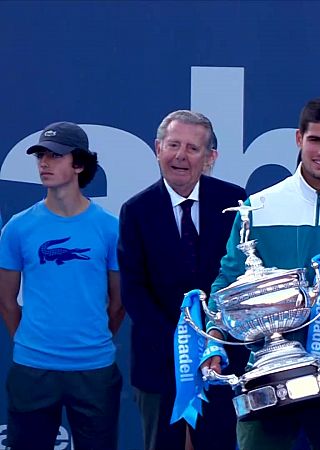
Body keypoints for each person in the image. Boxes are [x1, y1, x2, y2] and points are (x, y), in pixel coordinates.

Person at [203, 97, 320, 450]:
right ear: (298, 139)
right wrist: (214, 338)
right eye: (315, 140)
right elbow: (226, 283)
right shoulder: (257, 207)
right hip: (267, 373)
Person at [117, 110, 247, 450]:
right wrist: (182, 342)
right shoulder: (136, 211)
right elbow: (133, 290)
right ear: (157, 148)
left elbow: (242, 278)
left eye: (192, 148)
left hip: (223, 358)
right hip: (158, 361)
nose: (180, 155)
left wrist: (214, 340)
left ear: (210, 157)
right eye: (173, 145)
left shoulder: (234, 201)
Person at [0, 121, 124, 450]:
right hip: (33, 370)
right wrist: (32, 343)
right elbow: (7, 302)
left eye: (55, 155)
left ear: (79, 164)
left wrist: (91, 341)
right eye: (40, 155)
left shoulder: (110, 228)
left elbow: (118, 302)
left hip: (94, 371)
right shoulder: (18, 228)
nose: (44, 162)